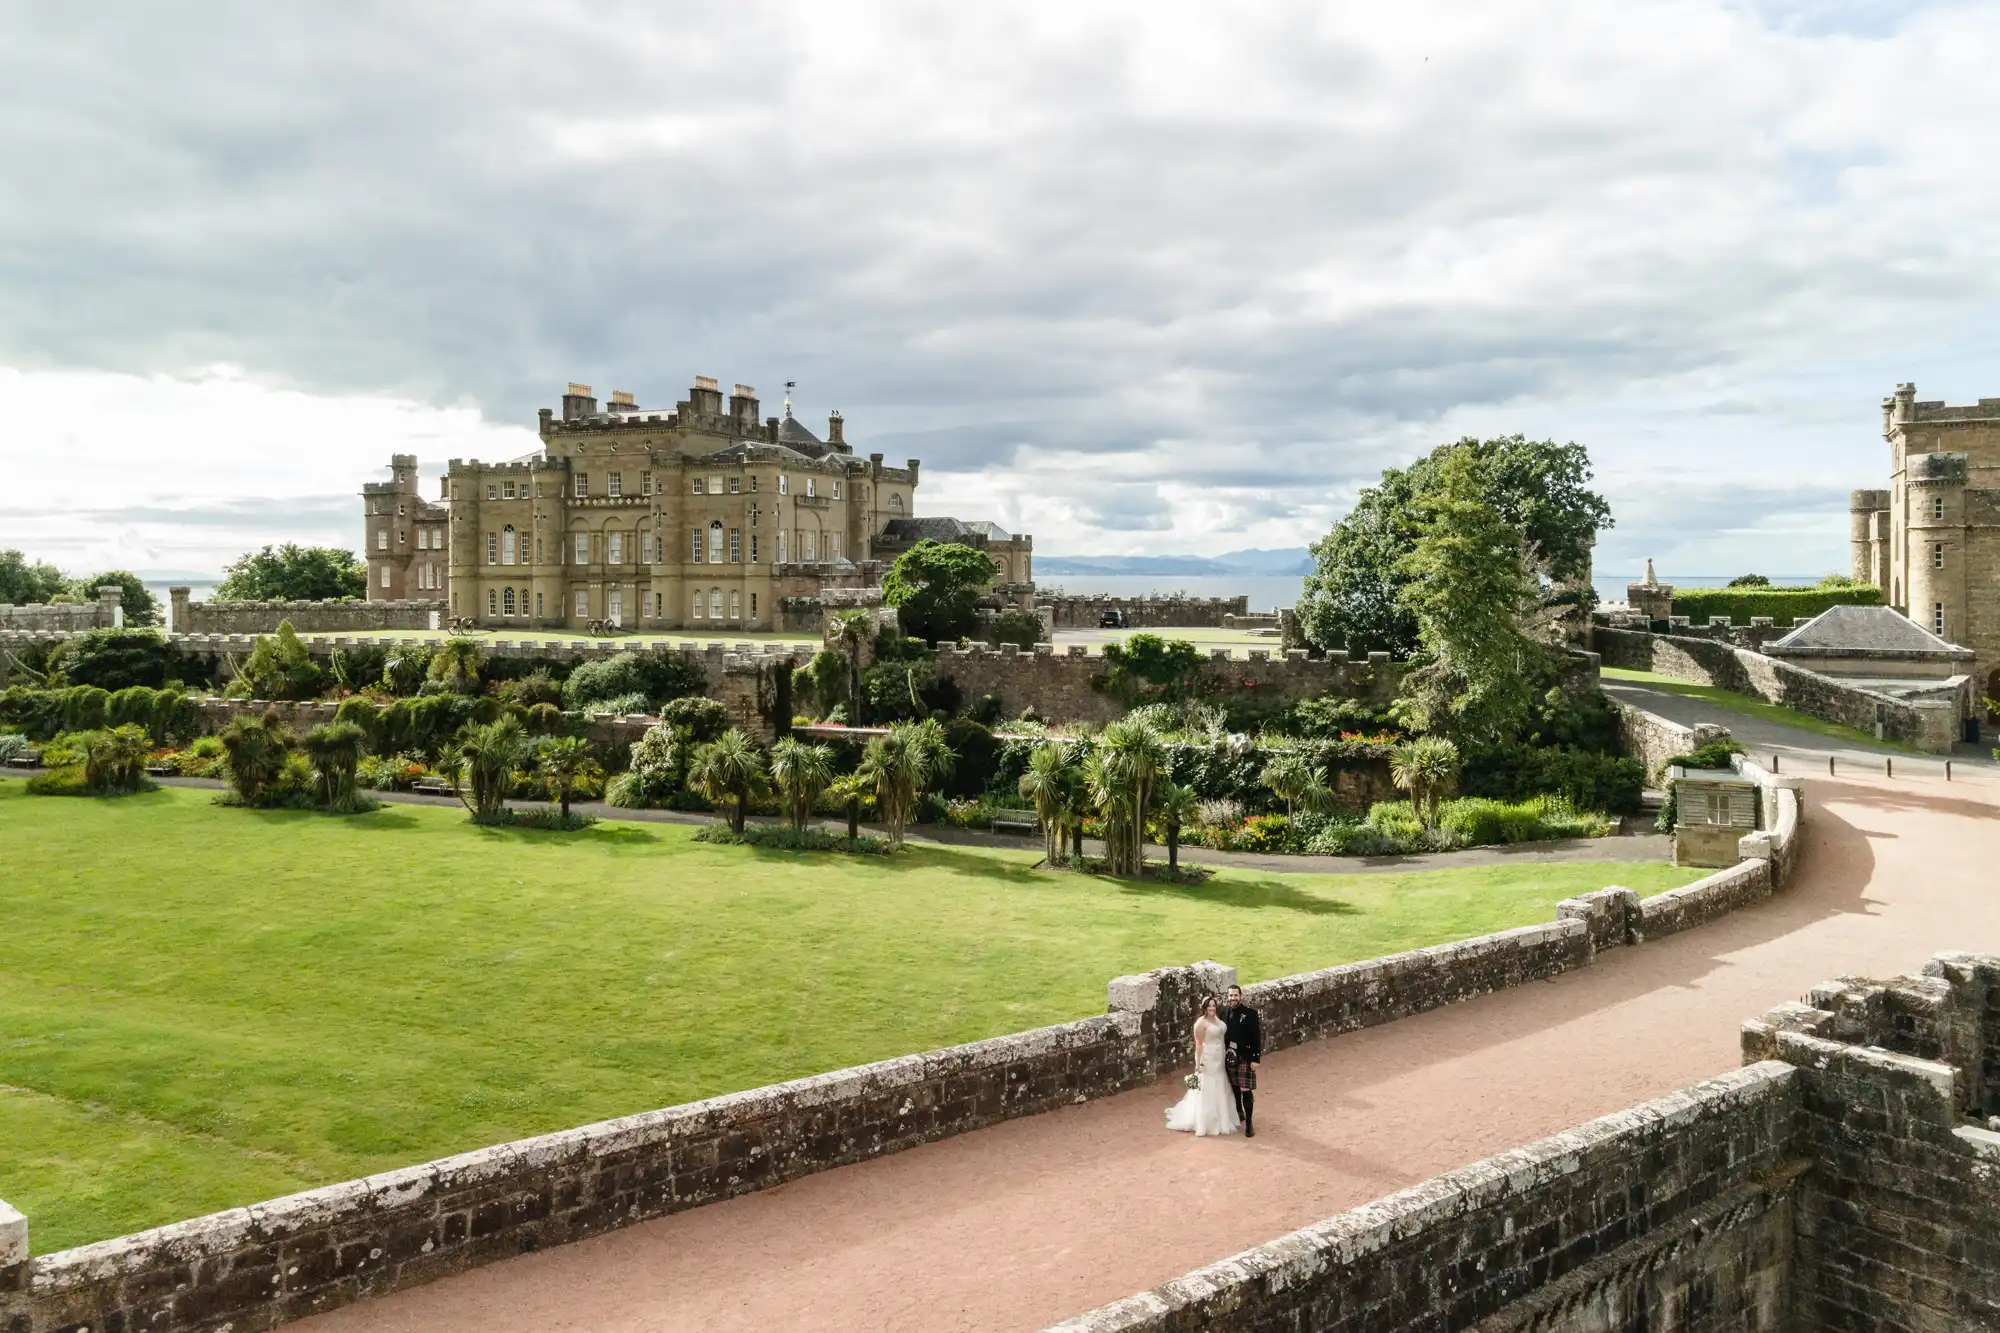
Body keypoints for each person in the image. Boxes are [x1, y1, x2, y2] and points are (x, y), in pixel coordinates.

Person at [1164, 996, 1240, 1137]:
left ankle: (1223, 1118)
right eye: (1209, 1006)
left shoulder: (1217, 1020)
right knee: (1208, 1088)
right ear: (1204, 1008)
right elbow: (1199, 1045)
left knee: (1221, 1086)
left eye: (1213, 1005)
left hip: (1220, 1057)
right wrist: (1198, 1065)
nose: (1212, 1008)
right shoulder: (1200, 1023)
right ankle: (1206, 1123)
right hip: (1209, 1058)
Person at [1222, 983, 1262, 1138]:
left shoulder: (1250, 1013)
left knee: (1246, 1089)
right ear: (1228, 997)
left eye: (1235, 995)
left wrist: (1255, 1058)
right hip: (1230, 1056)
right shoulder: (1224, 1012)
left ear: (1240, 996)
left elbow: (1256, 1036)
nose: (1233, 998)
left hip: (1245, 1056)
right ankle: (1240, 1112)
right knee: (1235, 1087)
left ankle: (1250, 1123)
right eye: (1230, 995)